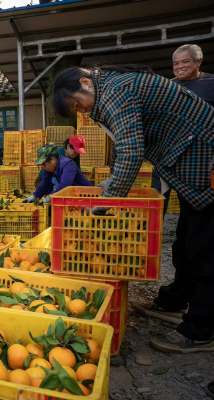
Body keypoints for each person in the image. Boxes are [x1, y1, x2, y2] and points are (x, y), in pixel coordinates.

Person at [51, 65, 214, 353]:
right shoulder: (111, 89)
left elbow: (131, 149)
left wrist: (107, 201)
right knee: (187, 236)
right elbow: (130, 145)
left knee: (203, 244)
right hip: (188, 151)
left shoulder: (115, 92)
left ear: (86, 82)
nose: (83, 113)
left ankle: (200, 330)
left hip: (203, 153)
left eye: (78, 104)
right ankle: (175, 301)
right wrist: (112, 182)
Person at [151, 44, 214, 210]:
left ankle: (185, 236)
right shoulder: (167, 86)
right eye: (176, 63)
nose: (179, 67)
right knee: (156, 200)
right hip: (166, 155)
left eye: (185, 62)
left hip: (195, 159)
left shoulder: (211, 83)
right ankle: (153, 234)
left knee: (191, 206)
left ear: (198, 61)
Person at [25, 143, 92, 204]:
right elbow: (44, 185)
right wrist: (34, 196)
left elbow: (64, 185)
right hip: (72, 200)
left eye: (44, 164)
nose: (44, 168)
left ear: (52, 160)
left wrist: (49, 197)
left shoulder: (68, 165)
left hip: (87, 198)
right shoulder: (49, 169)